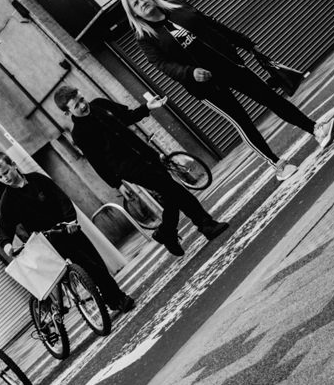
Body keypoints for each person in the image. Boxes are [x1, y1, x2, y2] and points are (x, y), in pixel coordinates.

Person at [121, 0, 334, 181]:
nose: (142, 3)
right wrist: (189, 72)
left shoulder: (178, 6)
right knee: (243, 122)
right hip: (206, 85)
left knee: (271, 98)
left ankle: (316, 129)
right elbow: (162, 64)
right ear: (134, 13)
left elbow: (213, 25)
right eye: (136, 4)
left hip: (228, 65)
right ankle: (277, 164)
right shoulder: (145, 37)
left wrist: (244, 43)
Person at [54, 84, 228, 257]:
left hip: (147, 156)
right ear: (67, 112)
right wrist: (117, 184)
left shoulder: (101, 104)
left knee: (171, 195)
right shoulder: (80, 134)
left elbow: (127, 116)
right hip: (129, 168)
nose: (83, 105)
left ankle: (166, 232)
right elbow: (97, 162)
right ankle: (206, 225)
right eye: (76, 105)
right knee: (175, 190)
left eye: (81, 99)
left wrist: (147, 107)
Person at [0, 152, 134, 312]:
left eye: (6, 172)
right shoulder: (8, 200)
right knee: (90, 268)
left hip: (68, 229)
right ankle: (118, 300)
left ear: (14, 165)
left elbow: (61, 198)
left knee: (98, 264)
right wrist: (6, 244)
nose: (5, 178)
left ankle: (111, 299)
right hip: (49, 241)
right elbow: (4, 225)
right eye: (0, 177)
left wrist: (70, 220)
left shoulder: (37, 179)